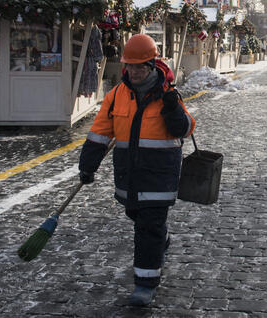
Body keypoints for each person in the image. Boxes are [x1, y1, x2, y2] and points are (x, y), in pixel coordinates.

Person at [78, 34, 196, 307]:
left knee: (148, 227)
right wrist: (87, 166)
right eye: (130, 66)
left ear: (152, 64)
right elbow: (99, 133)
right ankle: (161, 239)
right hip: (129, 175)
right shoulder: (116, 96)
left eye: (140, 66)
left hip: (160, 173)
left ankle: (145, 284)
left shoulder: (168, 94)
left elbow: (186, 129)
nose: (135, 71)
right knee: (137, 215)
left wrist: (173, 112)